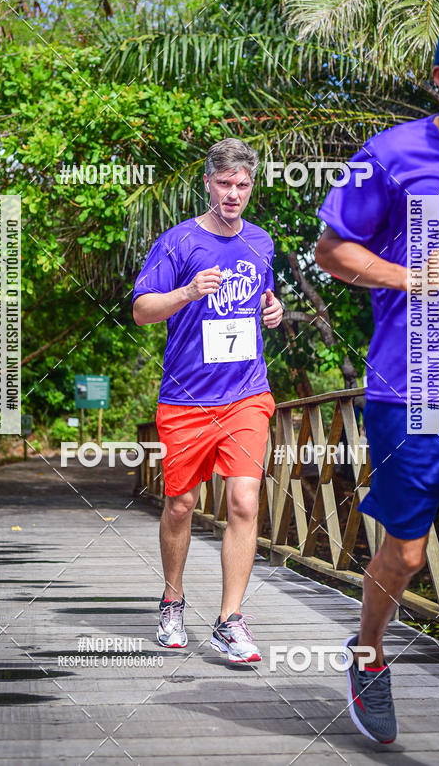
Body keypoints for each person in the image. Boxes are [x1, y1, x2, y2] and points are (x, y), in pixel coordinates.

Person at [316, 14, 439, 765]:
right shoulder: (392, 155)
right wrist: (410, 275)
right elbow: (331, 249)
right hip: (416, 382)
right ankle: (367, 649)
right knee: (402, 551)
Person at [132, 137, 284, 664]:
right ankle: (172, 601)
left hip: (246, 393)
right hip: (187, 398)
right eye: (224, 183)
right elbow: (142, 310)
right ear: (207, 184)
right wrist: (186, 294)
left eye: (242, 185)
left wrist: (274, 312)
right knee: (181, 504)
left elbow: (262, 298)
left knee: (244, 500)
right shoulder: (177, 243)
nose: (234, 193)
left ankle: (229, 619)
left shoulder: (261, 242)